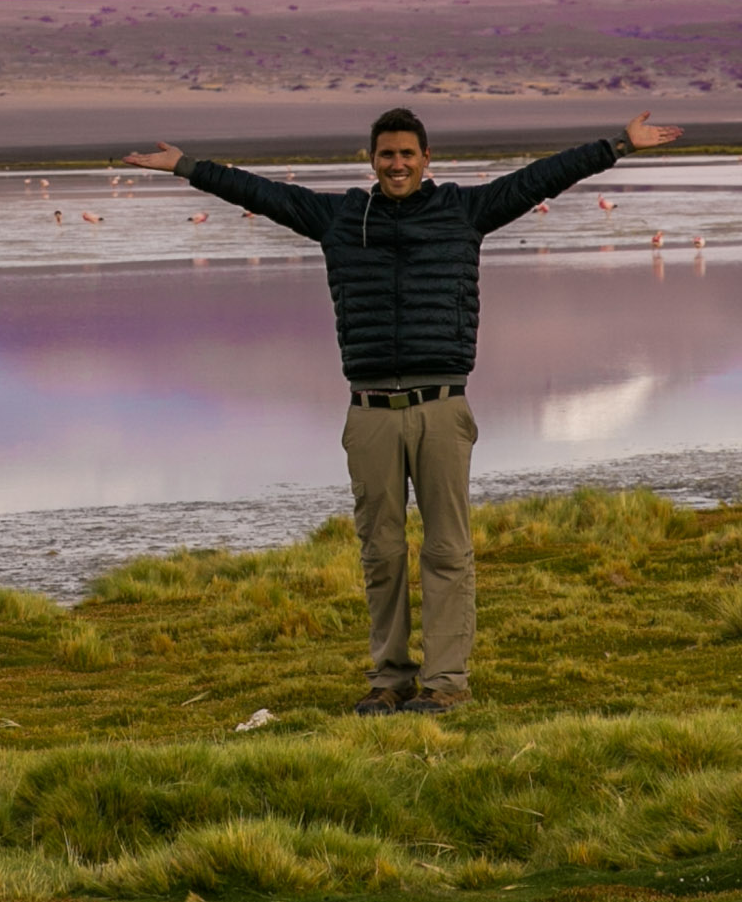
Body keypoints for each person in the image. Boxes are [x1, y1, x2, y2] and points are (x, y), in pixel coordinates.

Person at [123, 107, 682, 715]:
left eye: (407, 154)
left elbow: (539, 179)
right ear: (372, 161)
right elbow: (260, 191)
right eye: (386, 154)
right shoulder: (339, 218)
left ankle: (446, 684)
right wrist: (185, 167)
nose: (397, 164)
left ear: (426, 159)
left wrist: (618, 145)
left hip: (442, 406)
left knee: (447, 549)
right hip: (369, 412)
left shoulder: (464, 212)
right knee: (380, 551)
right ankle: (389, 679)